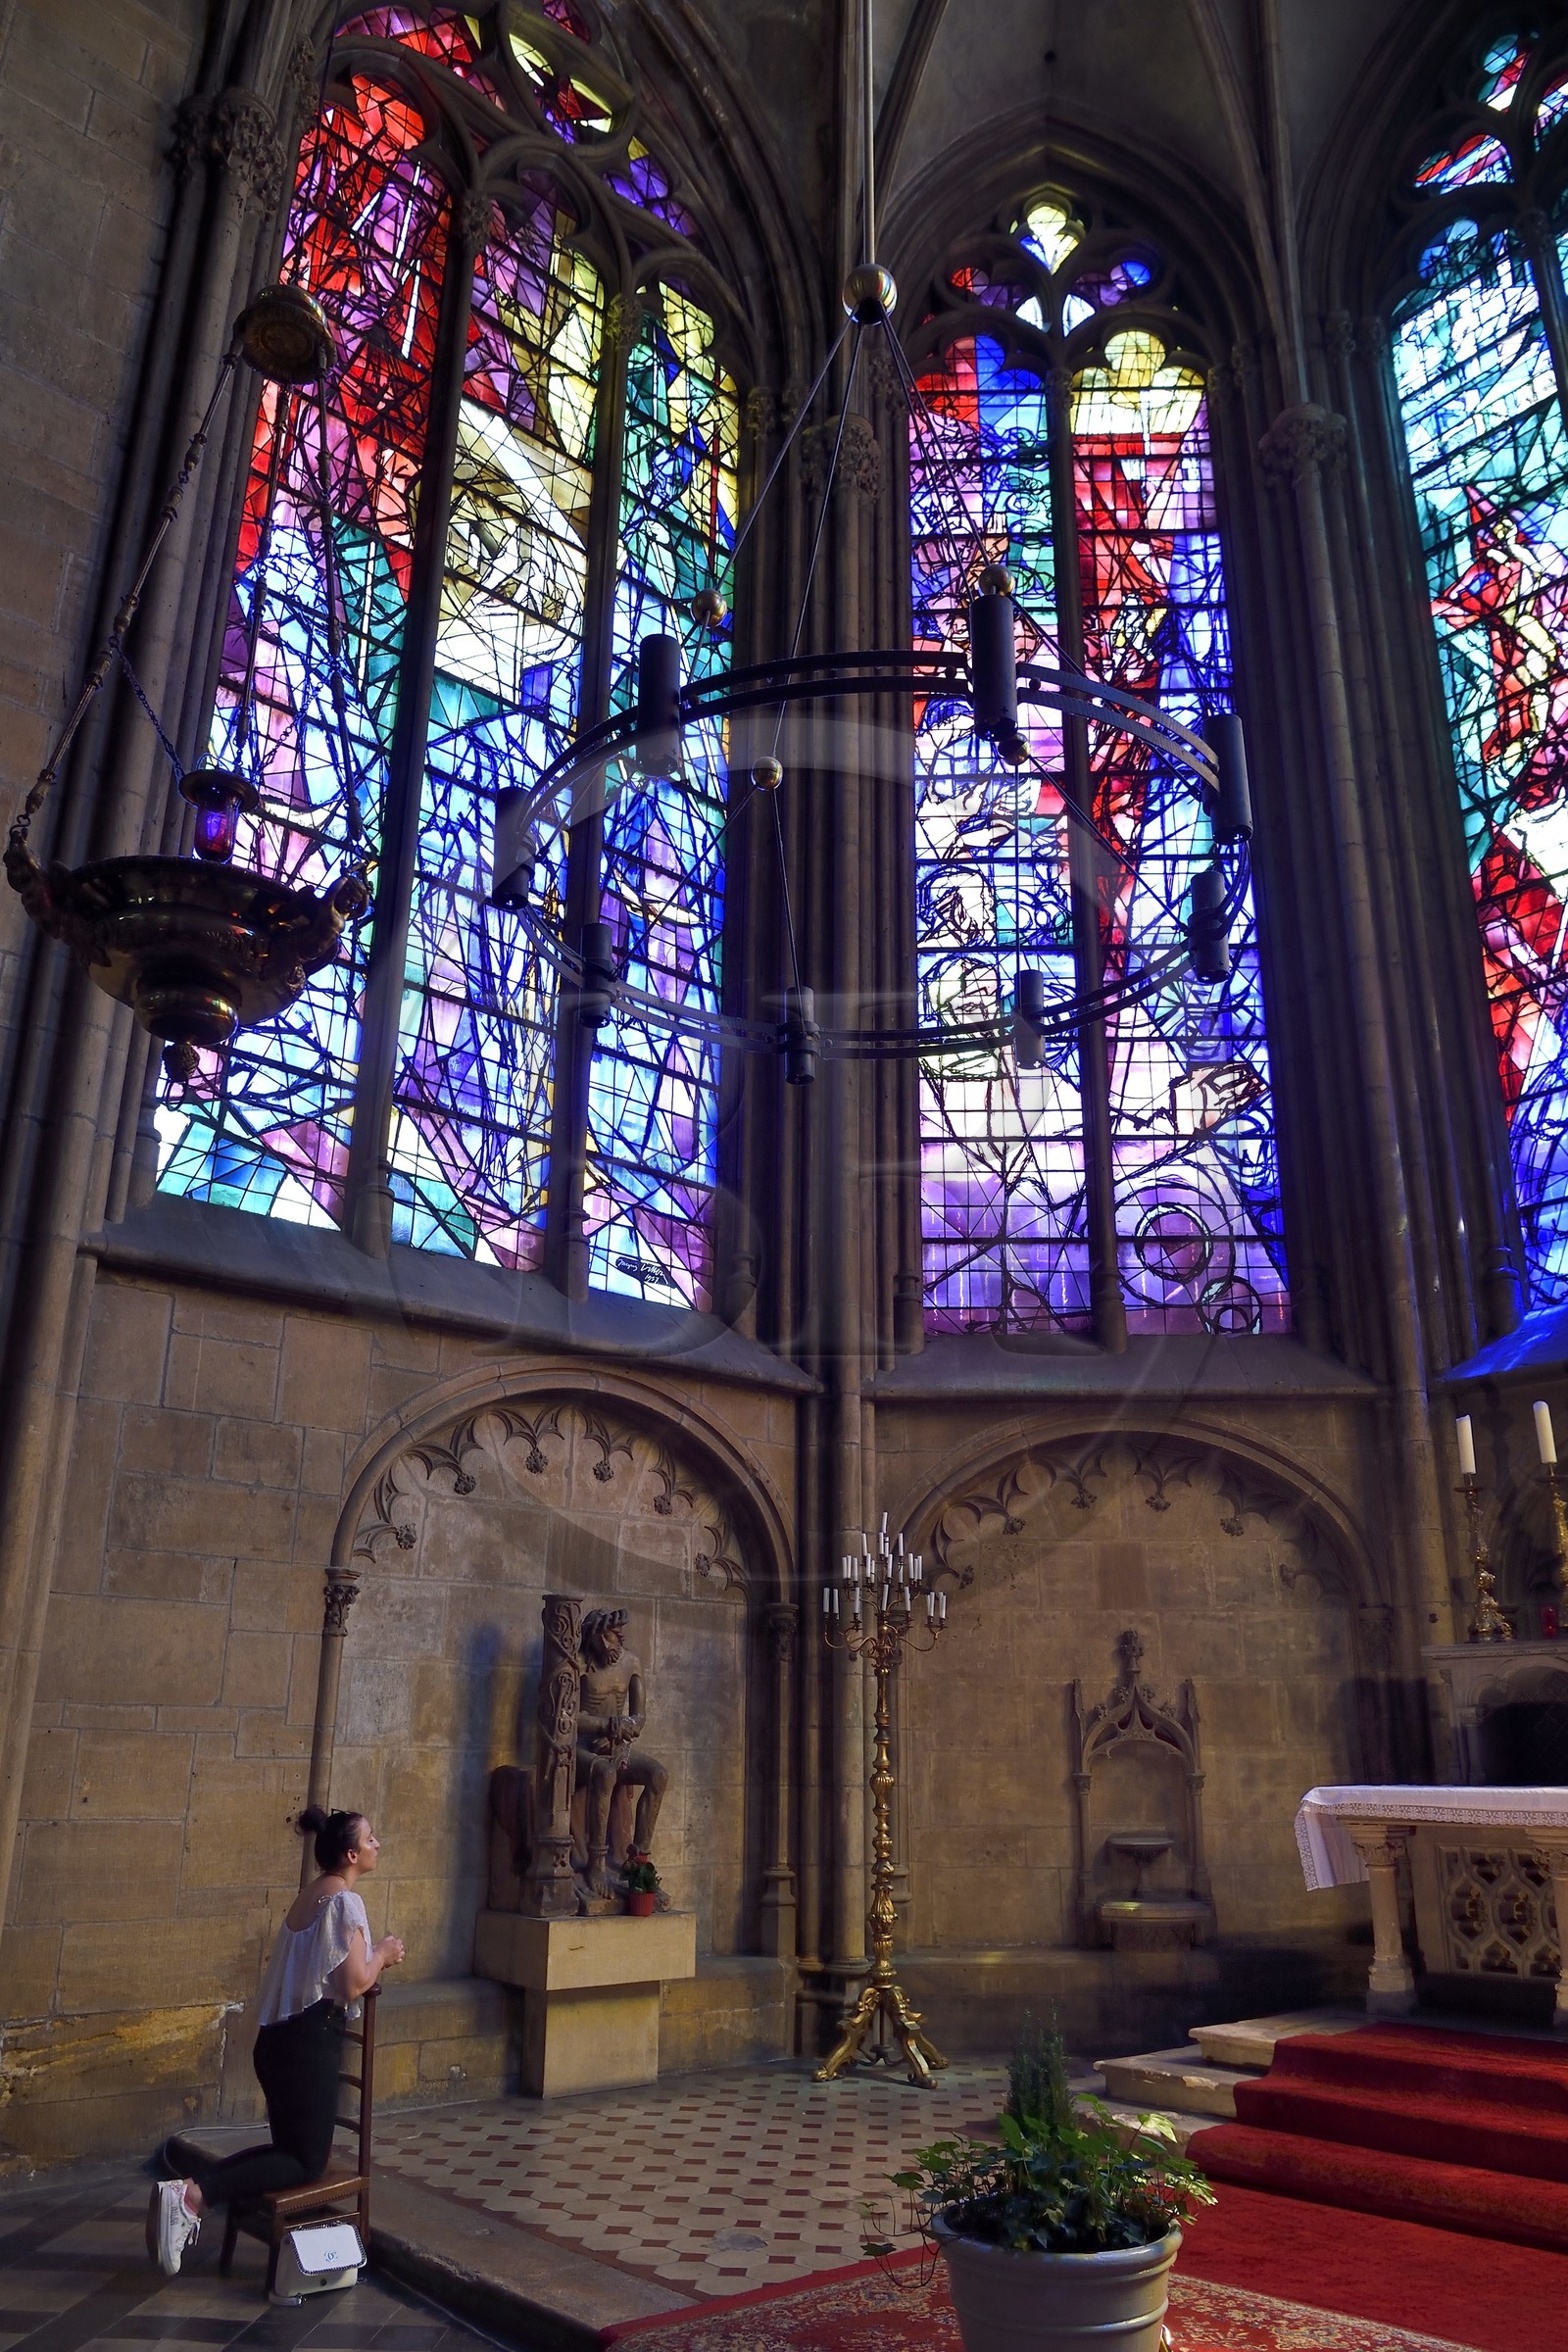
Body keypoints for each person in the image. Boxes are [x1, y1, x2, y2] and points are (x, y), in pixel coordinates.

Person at [146, 1806, 405, 2278]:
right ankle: (192, 2196)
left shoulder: (311, 1895)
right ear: (351, 1853)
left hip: (279, 2042)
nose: (377, 1845)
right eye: (371, 1839)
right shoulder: (346, 1901)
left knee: (290, 2153)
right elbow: (350, 1984)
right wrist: (383, 1954)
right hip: (307, 2043)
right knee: (305, 2165)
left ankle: (189, 2191)